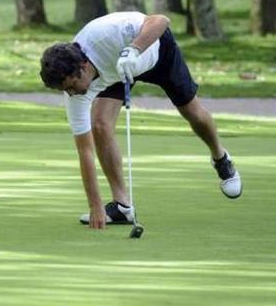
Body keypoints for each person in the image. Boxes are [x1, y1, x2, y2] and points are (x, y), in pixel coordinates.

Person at [39, 12, 242, 229]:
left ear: (82, 68)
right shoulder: (75, 92)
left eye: (70, 87)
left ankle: (220, 158)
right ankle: (122, 206)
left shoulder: (107, 34)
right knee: (100, 124)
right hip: (117, 73)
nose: (70, 94)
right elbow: (85, 151)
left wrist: (133, 49)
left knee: (193, 113)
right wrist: (95, 205)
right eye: (64, 90)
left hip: (153, 52)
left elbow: (161, 21)